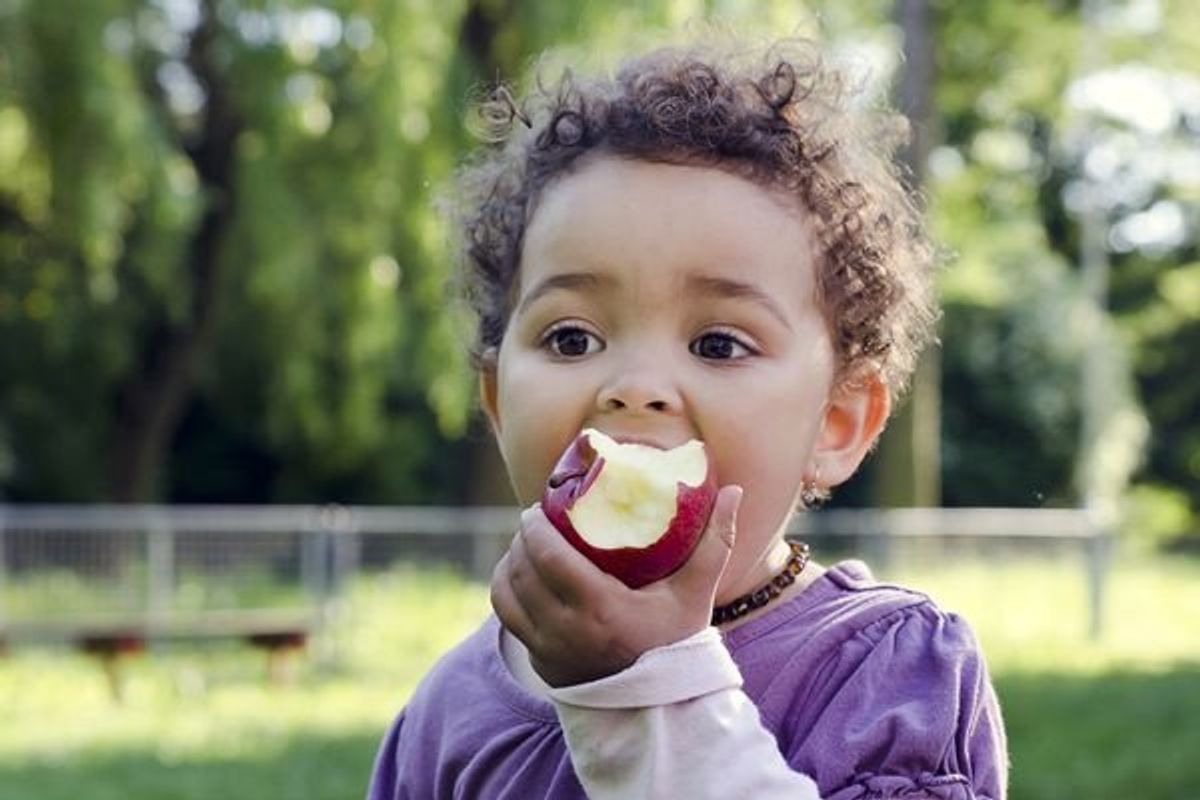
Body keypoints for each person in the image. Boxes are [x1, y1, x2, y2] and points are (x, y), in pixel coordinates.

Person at [368, 36, 1008, 800]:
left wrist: (644, 690)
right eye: (572, 337)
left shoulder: (886, 670)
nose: (636, 389)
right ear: (500, 403)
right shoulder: (449, 710)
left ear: (837, 423)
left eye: (718, 343)